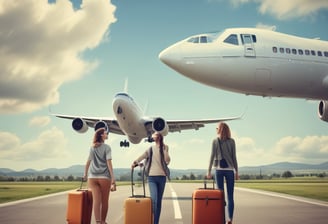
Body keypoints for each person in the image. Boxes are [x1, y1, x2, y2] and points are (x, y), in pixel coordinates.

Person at [131, 132, 170, 224]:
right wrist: (135, 162)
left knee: (159, 202)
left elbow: (167, 161)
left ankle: (156, 222)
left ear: (159, 137)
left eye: (154, 134)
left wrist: (164, 149)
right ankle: (151, 219)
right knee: (154, 200)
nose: (152, 136)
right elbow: (142, 156)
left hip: (162, 177)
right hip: (152, 177)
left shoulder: (165, 147)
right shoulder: (150, 149)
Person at [206, 122, 239, 224]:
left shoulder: (215, 141)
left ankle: (221, 219)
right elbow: (234, 158)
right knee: (230, 197)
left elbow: (211, 156)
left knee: (220, 196)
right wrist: (236, 172)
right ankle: (230, 219)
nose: (216, 130)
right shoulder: (232, 141)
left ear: (219, 129)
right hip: (230, 171)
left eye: (216, 128)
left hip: (219, 170)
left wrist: (208, 171)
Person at [83, 127, 116, 224]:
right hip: (104, 177)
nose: (107, 134)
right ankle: (103, 221)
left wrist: (85, 174)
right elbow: (109, 163)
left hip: (92, 177)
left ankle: (97, 221)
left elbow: (88, 162)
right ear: (101, 135)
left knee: (97, 201)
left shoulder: (92, 147)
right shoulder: (107, 148)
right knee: (104, 201)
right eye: (106, 133)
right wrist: (113, 179)